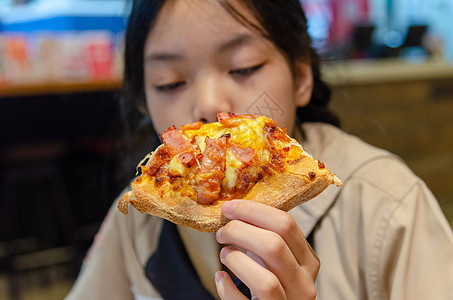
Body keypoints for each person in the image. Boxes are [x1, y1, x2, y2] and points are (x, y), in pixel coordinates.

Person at [66, 0, 453, 299]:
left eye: (244, 67)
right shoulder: (138, 219)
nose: (208, 105)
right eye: (169, 83)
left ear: (302, 76)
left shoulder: (388, 204)